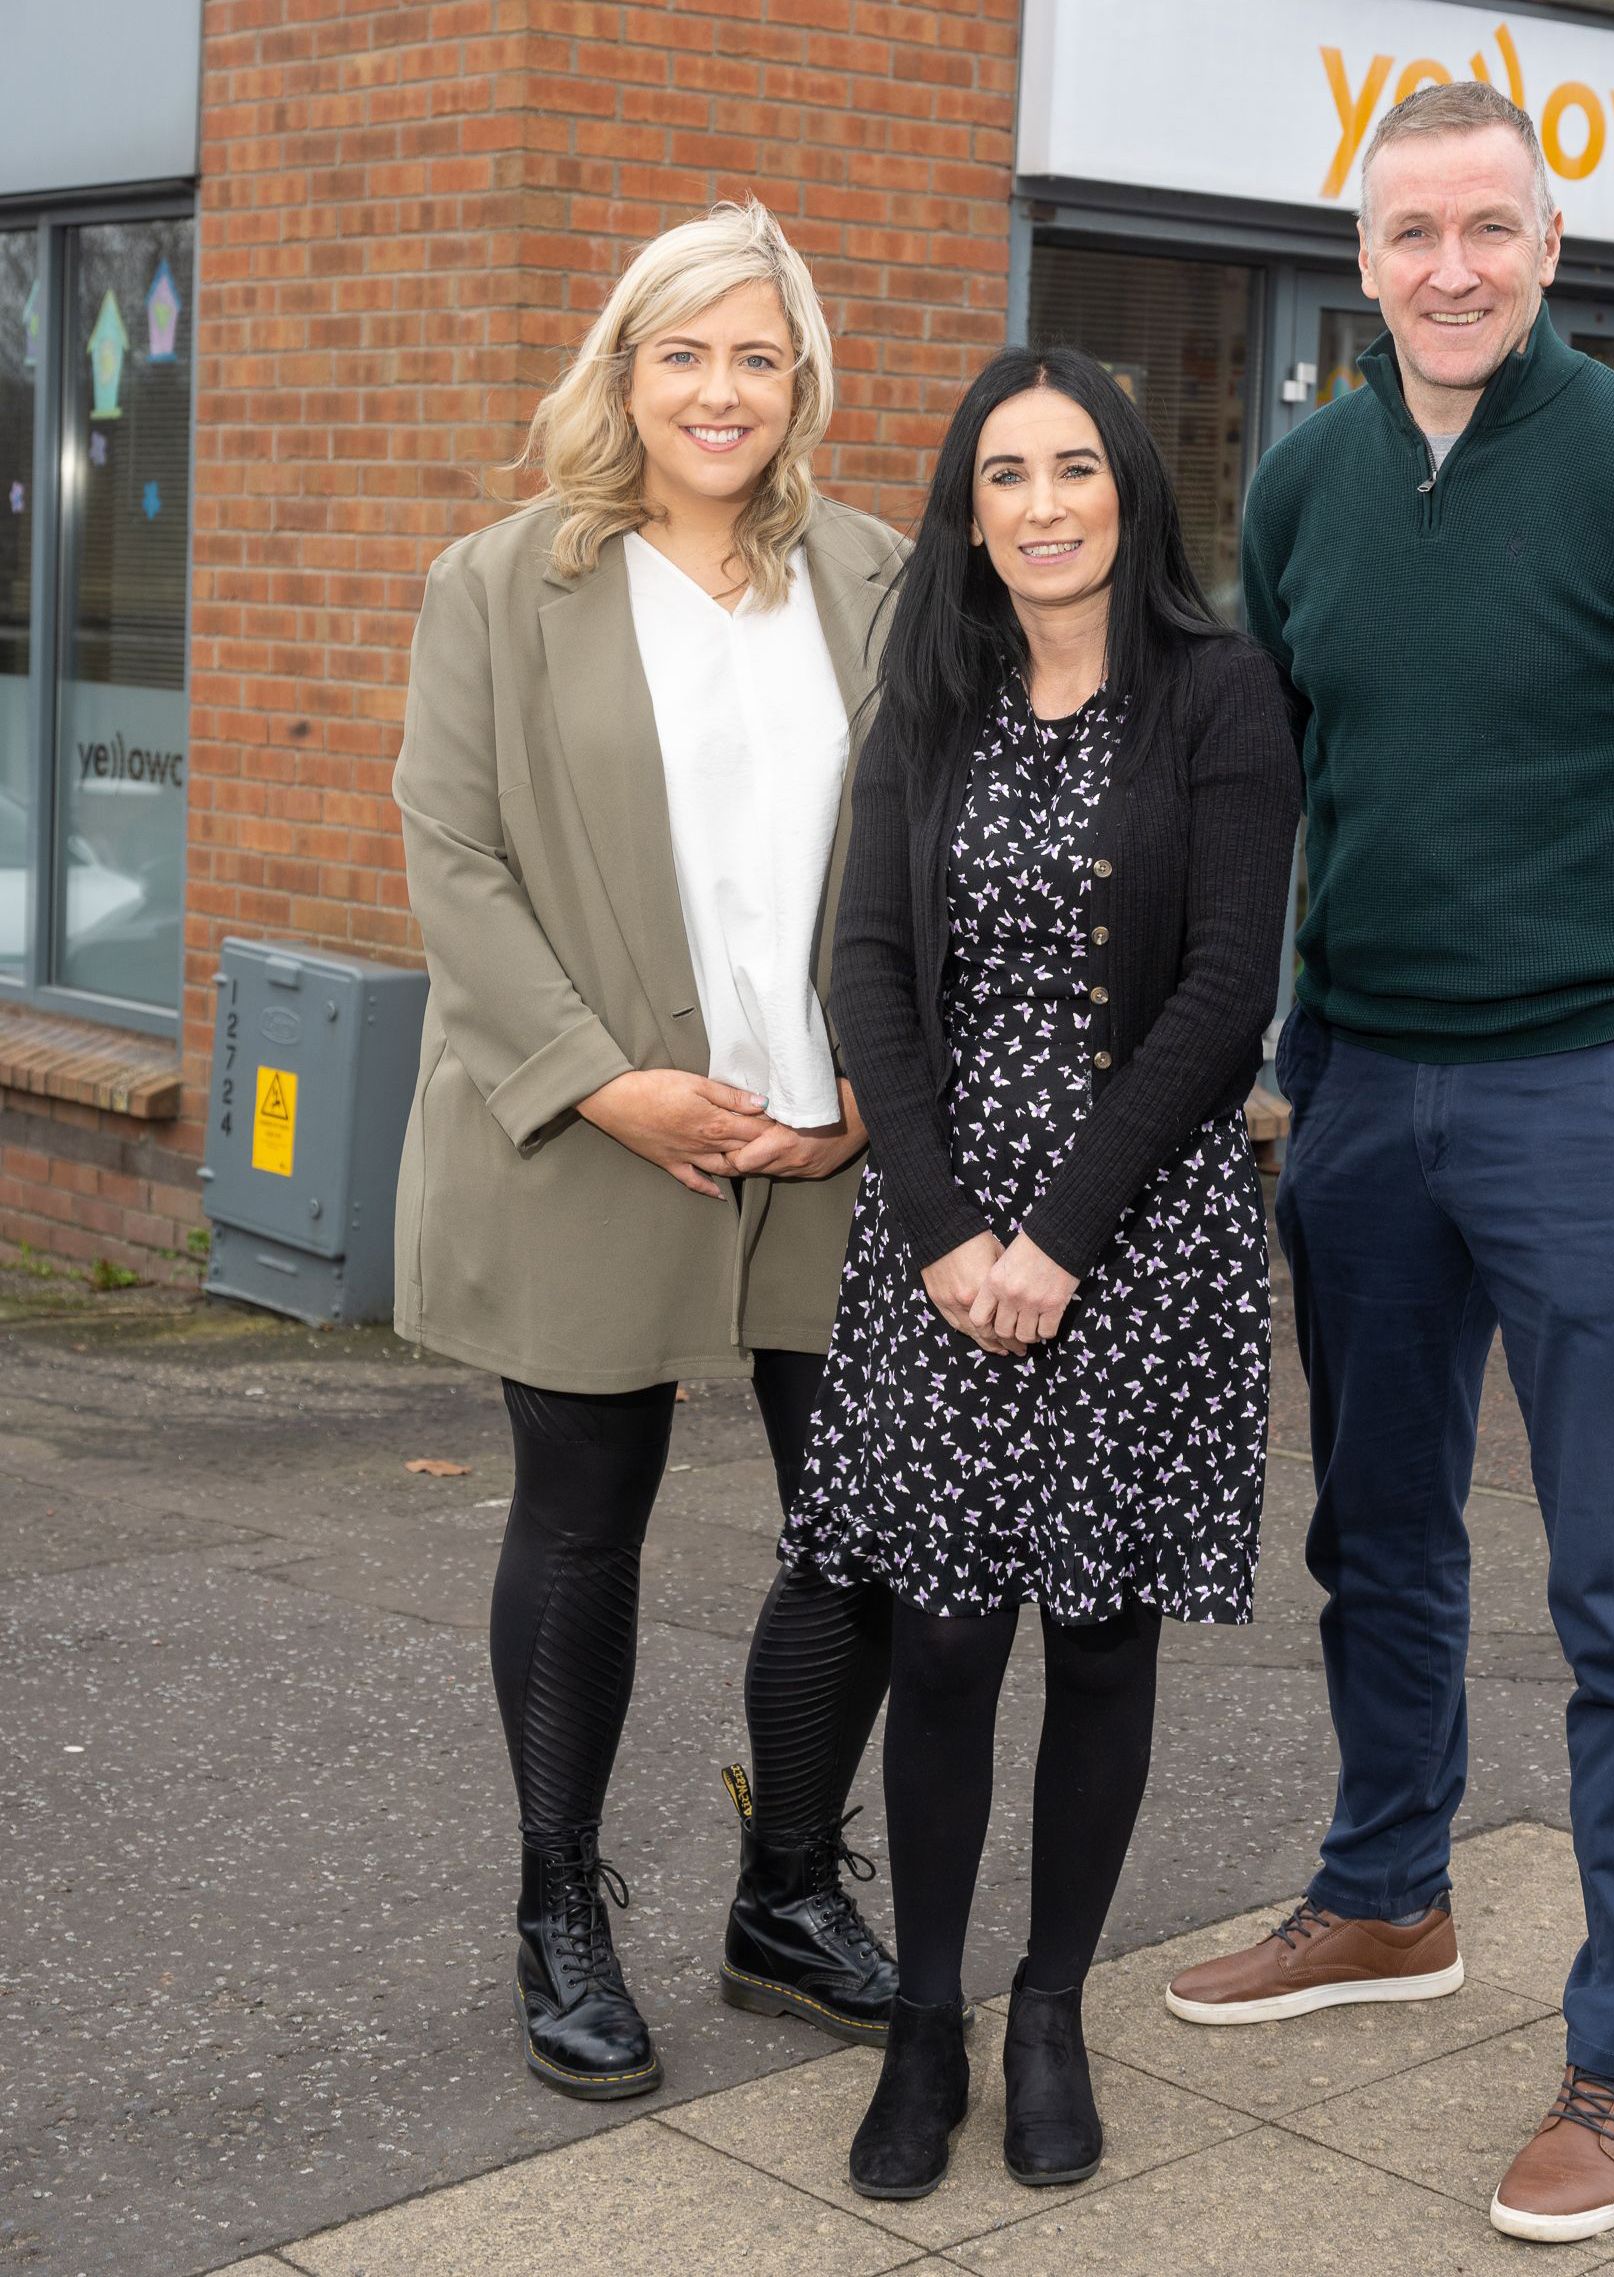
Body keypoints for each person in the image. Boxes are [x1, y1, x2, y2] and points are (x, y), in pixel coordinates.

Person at [1163, 82, 1614, 2246]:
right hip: (1362, 1082)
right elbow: (1293, 777)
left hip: (1593, 1087)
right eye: (1406, 233)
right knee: (1375, 1527)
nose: (1446, 267)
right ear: (1360, 260)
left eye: (1487, 227)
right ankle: (1385, 1892)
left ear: (1552, 247)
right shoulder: (1306, 482)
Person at [392, 200, 912, 2101]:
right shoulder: (499, 582)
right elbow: (453, 857)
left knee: (863, 1522)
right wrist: (602, 1080)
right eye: (682, 351)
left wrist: (884, 1073)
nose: (719, 389)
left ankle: (784, 1888)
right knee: (582, 1521)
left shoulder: (874, 577)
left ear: (801, 383)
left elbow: (935, 841)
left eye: (755, 355)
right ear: (625, 370)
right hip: (598, 1133)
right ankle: (558, 1905)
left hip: (831, 1139)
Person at [777, 346, 1299, 2200]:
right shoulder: (922, 692)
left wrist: (1060, 1237)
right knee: (939, 1631)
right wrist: (941, 1235)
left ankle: (1053, 2004)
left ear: (1133, 491)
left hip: (1138, 1237)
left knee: (1097, 1630)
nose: (1045, 503)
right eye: (1006, 474)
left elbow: (1227, 985)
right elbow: (866, 972)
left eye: (1076, 466)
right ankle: (924, 2017)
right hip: (937, 1234)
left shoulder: (1222, 697)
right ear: (967, 509)